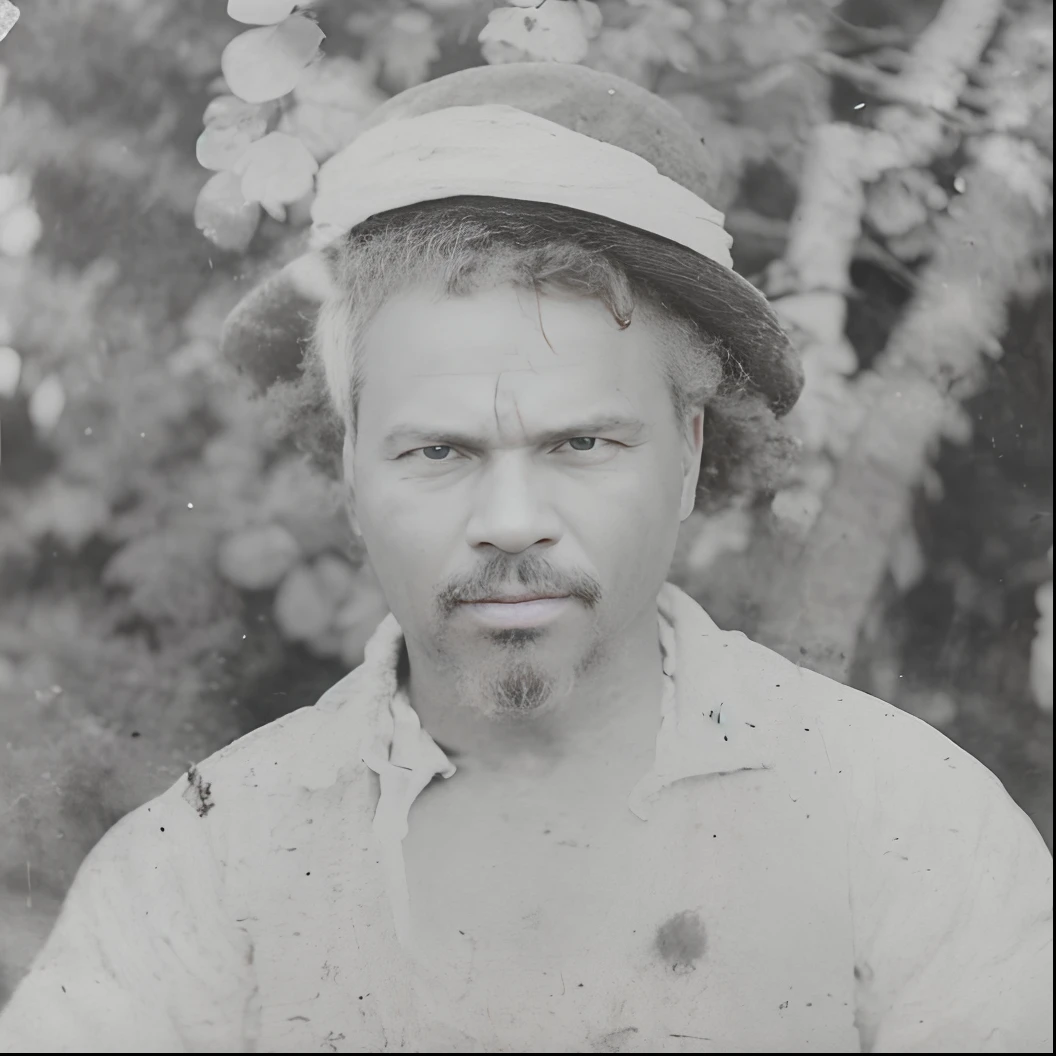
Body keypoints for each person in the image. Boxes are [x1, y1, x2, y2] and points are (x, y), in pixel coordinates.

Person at [0, 62, 1051, 1055]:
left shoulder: (913, 831)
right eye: (439, 450)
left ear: (688, 455)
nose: (512, 520)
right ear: (351, 475)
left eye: (581, 444)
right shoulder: (194, 873)